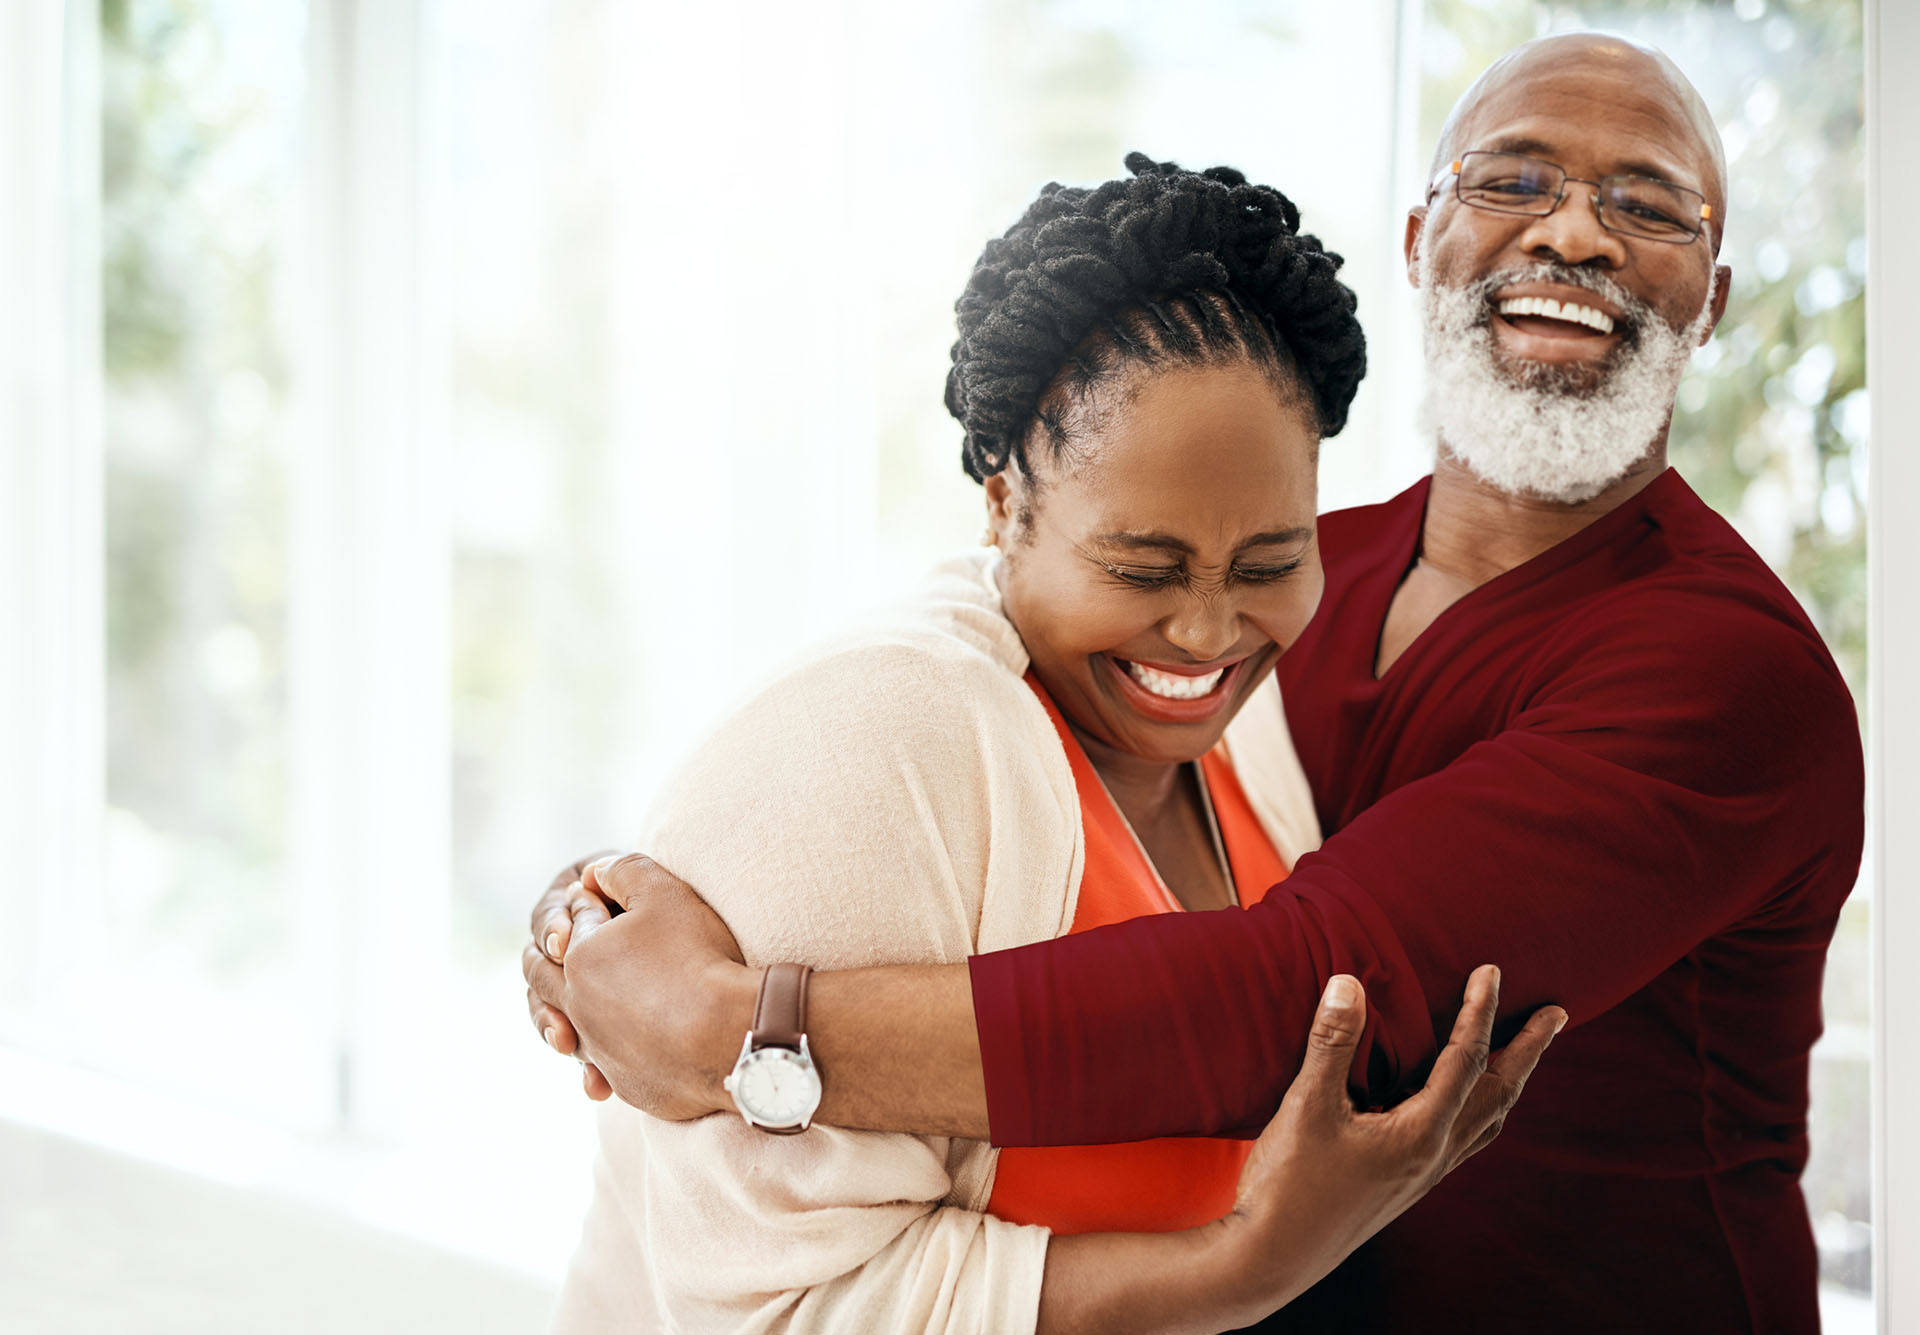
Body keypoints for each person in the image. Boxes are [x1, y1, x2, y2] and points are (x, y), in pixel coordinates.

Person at [530, 32, 1864, 1333]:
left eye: (1648, 206)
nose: (1574, 234)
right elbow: (985, 626)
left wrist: (735, 1031)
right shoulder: (1295, 584)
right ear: (1418, 240)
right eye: (1513, 178)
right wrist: (612, 894)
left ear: (1714, 297)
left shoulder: (1727, 671)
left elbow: (1300, 996)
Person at [532, 157, 1562, 1334]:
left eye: (1270, 563)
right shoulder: (878, 742)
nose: (1210, 631)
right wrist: (1239, 1268)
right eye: (1142, 568)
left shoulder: (1251, 726)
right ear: (1001, 500)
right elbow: (771, 1311)